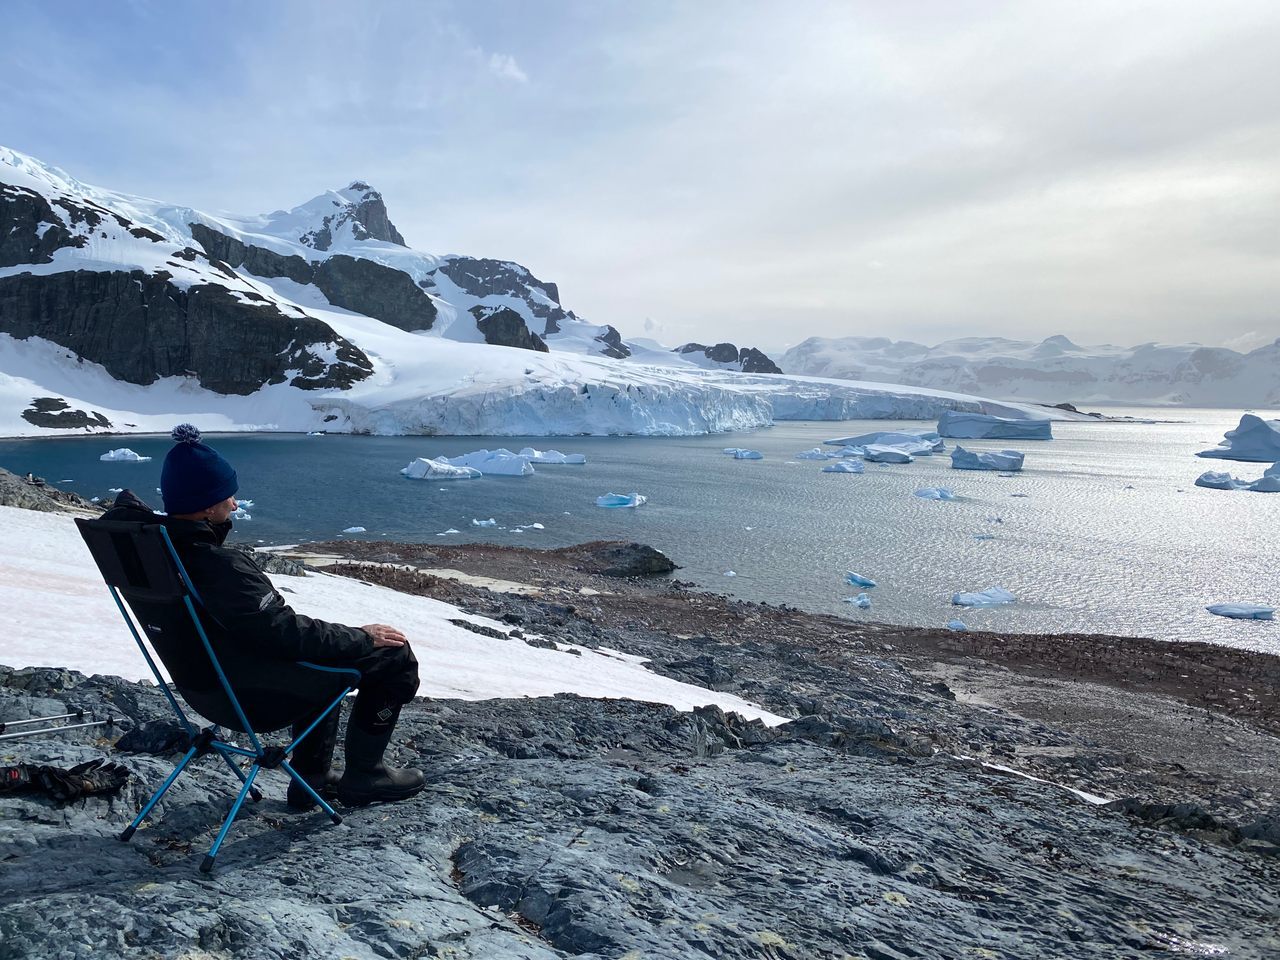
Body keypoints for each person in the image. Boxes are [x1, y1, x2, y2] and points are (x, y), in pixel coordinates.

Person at [102, 424, 424, 808]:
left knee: (326, 653)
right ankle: (366, 775)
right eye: (228, 497)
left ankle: (312, 779)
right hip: (253, 697)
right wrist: (362, 637)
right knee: (394, 656)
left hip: (204, 691)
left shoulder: (158, 553)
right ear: (208, 507)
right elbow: (285, 634)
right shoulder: (219, 565)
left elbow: (265, 630)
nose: (235, 505)